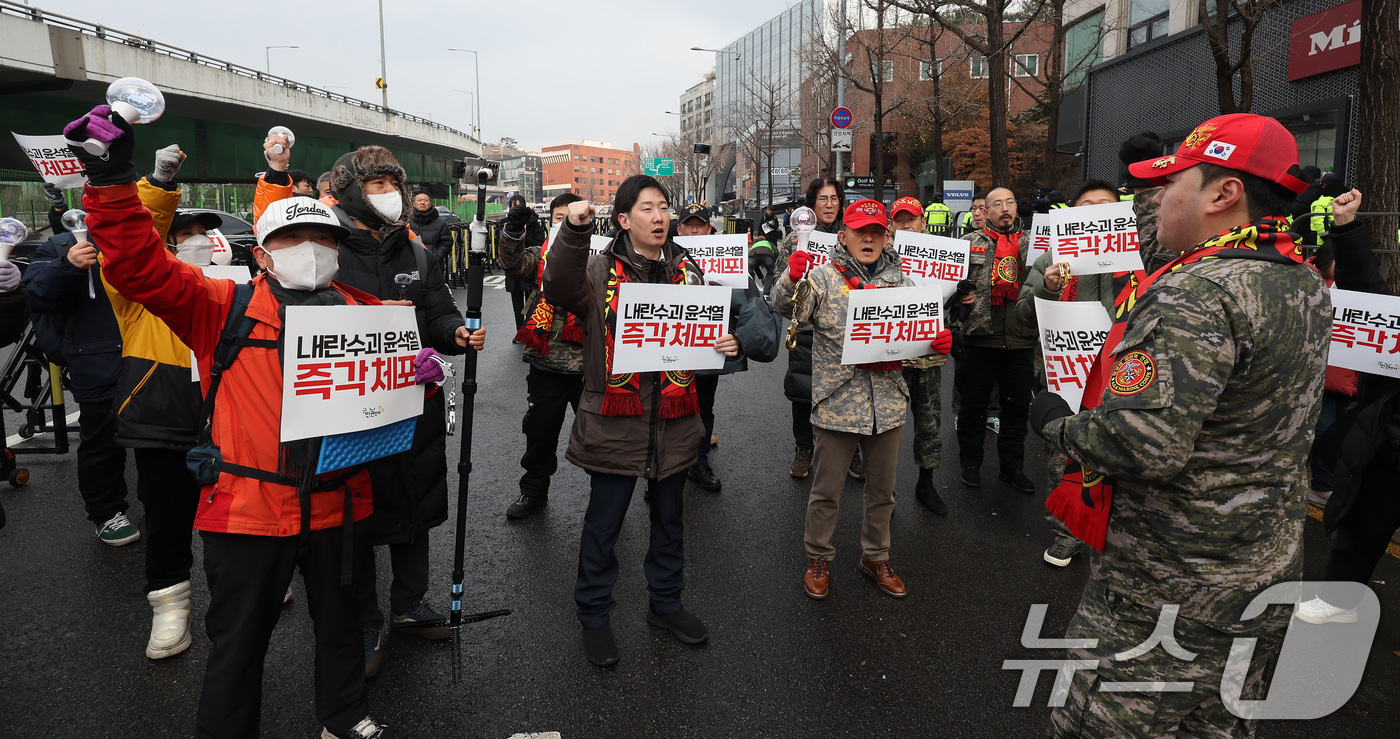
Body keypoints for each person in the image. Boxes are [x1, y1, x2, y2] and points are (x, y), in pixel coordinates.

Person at [64, 105, 433, 739]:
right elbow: (136, 269)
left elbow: (387, 396)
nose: (311, 250)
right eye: (292, 240)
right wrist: (113, 183)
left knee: (342, 627)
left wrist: (412, 374)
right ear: (261, 255)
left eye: (324, 239)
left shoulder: (366, 311)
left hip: (339, 506)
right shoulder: (220, 306)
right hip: (247, 507)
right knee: (237, 643)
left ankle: (343, 718)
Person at [1028, 113, 1328, 737]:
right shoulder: (1298, 280)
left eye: (1170, 184)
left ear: (1224, 194)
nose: (1156, 199)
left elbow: (1142, 444)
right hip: (1259, 573)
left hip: (1165, 590)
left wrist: (1057, 425)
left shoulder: (1196, 293)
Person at [255, 135, 480, 678]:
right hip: (343, 416)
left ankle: (408, 603)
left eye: (395, 184)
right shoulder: (326, 250)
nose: (391, 194)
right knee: (349, 520)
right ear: (352, 191)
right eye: (378, 184)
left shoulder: (416, 250)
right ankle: (363, 619)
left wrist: (455, 336)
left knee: (415, 503)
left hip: (411, 403)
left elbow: (438, 311)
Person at [542, 175, 741, 668]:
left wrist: (726, 343)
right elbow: (556, 285)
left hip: (674, 423)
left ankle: (666, 604)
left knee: (669, 523)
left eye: (664, 207)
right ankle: (594, 616)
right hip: (616, 419)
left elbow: (713, 326)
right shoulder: (598, 269)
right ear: (624, 220)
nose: (659, 216)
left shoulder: (689, 270)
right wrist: (572, 231)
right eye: (647, 208)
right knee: (603, 526)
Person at [774, 199, 952, 599]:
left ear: (887, 236)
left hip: (888, 405)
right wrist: (791, 277)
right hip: (838, 403)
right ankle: (819, 556)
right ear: (844, 236)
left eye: (876, 231)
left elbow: (920, 346)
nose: (868, 237)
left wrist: (937, 344)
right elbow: (785, 307)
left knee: (883, 492)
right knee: (826, 491)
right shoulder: (822, 277)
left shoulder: (904, 284)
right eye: (859, 231)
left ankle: (876, 556)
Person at [1016, 179, 1161, 567]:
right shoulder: (1051, 259)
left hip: (1124, 381)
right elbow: (1023, 316)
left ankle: (1121, 532)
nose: (1096, 212)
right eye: (1087, 206)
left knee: (1123, 455)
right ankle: (1068, 532)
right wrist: (1046, 289)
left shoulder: (1140, 261)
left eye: (1105, 206)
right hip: (1066, 378)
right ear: (1074, 216)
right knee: (1064, 456)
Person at [1299, 188, 1400, 625]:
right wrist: (1347, 227)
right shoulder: (1390, 314)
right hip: (1387, 443)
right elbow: (1367, 293)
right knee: (1362, 527)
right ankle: (1339, 603)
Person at [676, 204, 782, 493]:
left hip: (707, 348)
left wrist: (737, 336)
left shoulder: (729, 264)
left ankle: (699, 461)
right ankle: (664, 471)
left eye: (701, 225)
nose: (695, 230)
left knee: (703, 406)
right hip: (670, 348)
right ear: (680, 229)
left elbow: (751, 308)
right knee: (666, 409)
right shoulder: (663, 258)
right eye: (689, 225)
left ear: (710, 229)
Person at [497, 193, 586, 519]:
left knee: (598, 436)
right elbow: (511, 263)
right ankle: (533, 491)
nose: (565, 222)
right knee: (539, 434)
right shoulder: (541, 254)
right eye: (559, 217)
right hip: (546, 365)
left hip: (589, 367)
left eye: (572, 216)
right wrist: (513, 229)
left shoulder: (599, 256)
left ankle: (607, 497)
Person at [775, 178, 863, 481]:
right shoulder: (793, 239)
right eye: (822, 199)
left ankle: (851, 450)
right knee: (803, 390)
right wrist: (791, 273)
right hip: (808, 326)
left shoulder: (852, 237)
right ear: (812, 204)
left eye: (834, 198)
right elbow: (778, 288)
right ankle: (804, 448)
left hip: (846, 328)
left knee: (847, 390)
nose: (829, 204)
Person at [955, 187, 1036, 493]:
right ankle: (970, 464)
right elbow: (948, 292)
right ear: (984, 211)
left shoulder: (1035, 244)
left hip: (1021, 338)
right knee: (973, 407)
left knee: (1016, 410)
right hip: (980, 338)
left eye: (1010, 202)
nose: (1005, 208)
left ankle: (1012, 468)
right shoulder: (967, 244)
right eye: (997, 204)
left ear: (1017, 208)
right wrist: (961, 302)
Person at [889, 197, 948, 513]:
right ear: (891, 225)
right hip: (892, 358)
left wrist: (955, 312)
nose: (906, 225)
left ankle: (926, 484)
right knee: (889, 428)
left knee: (929, 424)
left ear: (923, 222)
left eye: (911, 218)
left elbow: (945, 305)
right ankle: (887, 490)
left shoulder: (941, 258)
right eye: (899, 220)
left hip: (927, 358)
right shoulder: (881, 259)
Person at [409, 187, 457, 265]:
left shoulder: (440, 223)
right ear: (414, 204)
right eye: (419, 200)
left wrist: (436, 257)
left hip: (433, 265)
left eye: (425, 200)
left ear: (430, 203)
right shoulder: (407, 222)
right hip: (411, 264)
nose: (422, 203)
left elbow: (446, 243)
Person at [748, 227, 778, 295]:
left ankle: (751, 291)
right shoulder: (768, 242)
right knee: (770, 272)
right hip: (767, 257)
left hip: (753, 256)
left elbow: (755, 265)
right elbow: (776, 252)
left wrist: (761, 277)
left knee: (750, 272)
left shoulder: (754, 245)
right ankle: (766, 292)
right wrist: (773, 261)